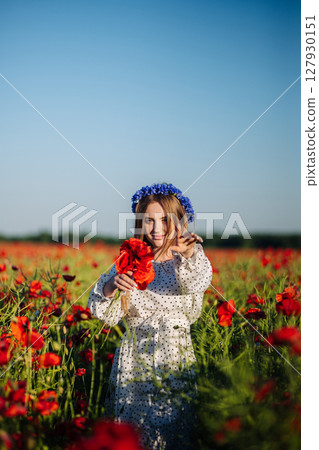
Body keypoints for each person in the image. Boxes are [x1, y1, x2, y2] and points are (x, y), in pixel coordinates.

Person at [87, 183, 213, 449]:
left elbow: (196, 283)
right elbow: (106, 315)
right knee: (136, 429)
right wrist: (112, 287)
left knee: (173, 428)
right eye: (149, 221)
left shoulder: (190, 259)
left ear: (180, 222)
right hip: (135, 354)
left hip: (175, 352)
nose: (157, 229)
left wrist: (188, 254)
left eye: (165, 221)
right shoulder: (130, 259)